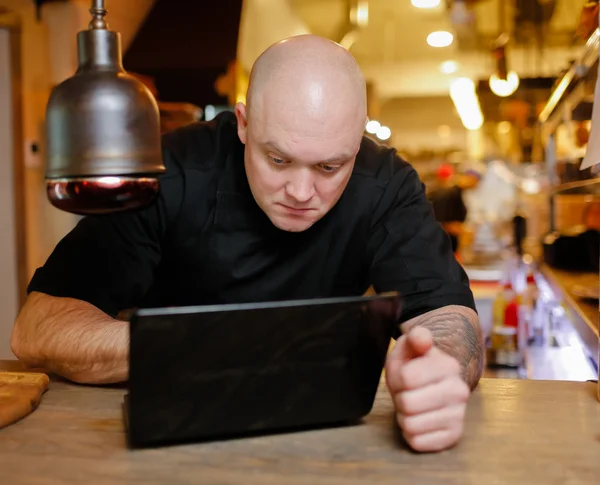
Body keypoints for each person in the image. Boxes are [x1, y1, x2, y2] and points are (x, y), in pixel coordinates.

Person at [11, 35, 484, 453]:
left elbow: (449, 320)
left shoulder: (386, 185)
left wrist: (439, 371)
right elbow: (36, 328)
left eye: (329, 167)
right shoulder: (169, 173)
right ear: (242, 123)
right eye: (277, 158)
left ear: (356, 143)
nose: (301, 192)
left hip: (325, 442)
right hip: (170, 441)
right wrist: (212, 347)